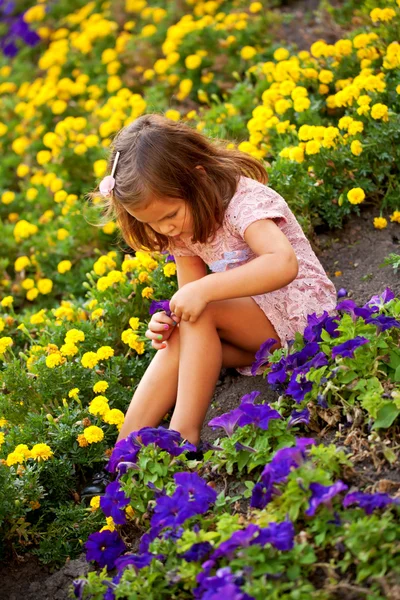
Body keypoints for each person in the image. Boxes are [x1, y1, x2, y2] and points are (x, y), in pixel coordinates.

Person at [93, 113, 337, 449]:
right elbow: (189, 299)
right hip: (257, 338)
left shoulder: (243, 202)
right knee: (184, 325)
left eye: (169, 215)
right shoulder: (181, 229)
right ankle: (124, 450)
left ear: (198, 177)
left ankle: (182, 437)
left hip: (302, 315)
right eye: (152, 223)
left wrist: (202, 291)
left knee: (201, 307)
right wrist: (169, 322)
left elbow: (283, 264)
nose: (165, 229)